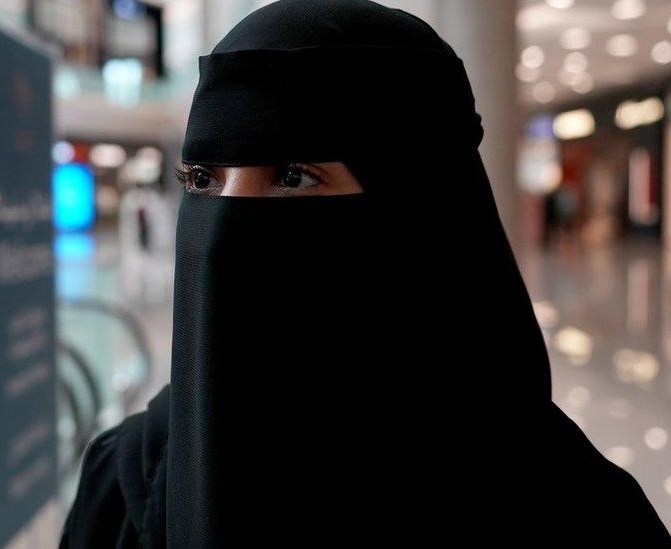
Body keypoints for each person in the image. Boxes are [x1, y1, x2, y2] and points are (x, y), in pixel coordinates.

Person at [61, 1, 671, 546]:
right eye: (203, 180)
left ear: (416, 217)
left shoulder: (576, 516)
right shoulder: (128, 479)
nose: (223, 231)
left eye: (293, 175)